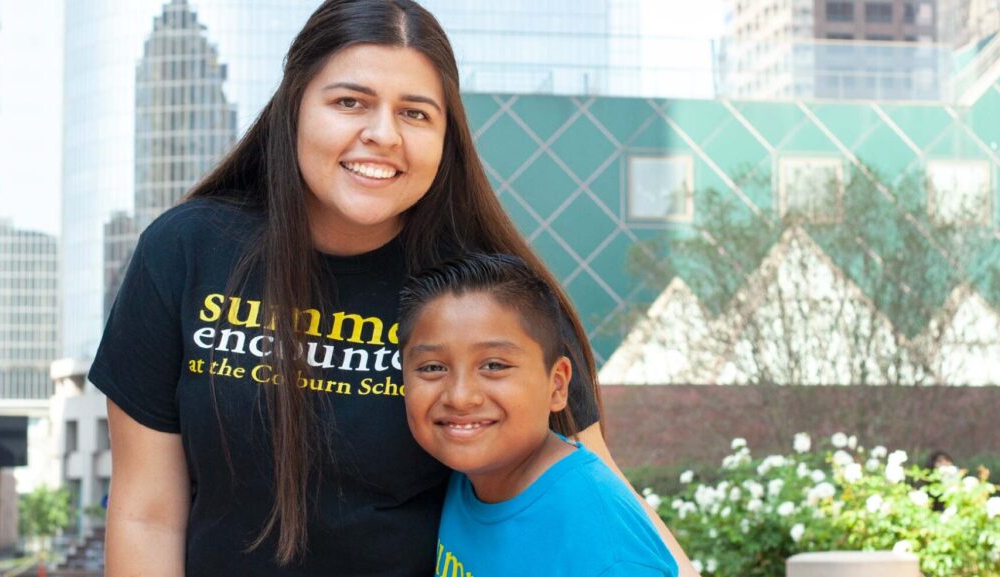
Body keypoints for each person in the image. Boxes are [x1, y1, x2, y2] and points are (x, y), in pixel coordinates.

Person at [90, 0, 693, 574]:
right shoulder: (186, 251)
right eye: (351, 102)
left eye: (415, 112)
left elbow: (595, 494)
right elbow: (147, 515)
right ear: (294, 106)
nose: (383, 134)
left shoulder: (485, 294)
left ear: (446, 134)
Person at [399, 254, 677, 576]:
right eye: (432, 367)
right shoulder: (469, 477)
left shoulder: (601, 542)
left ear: (557, 385)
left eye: (494, 366)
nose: (460, 397)